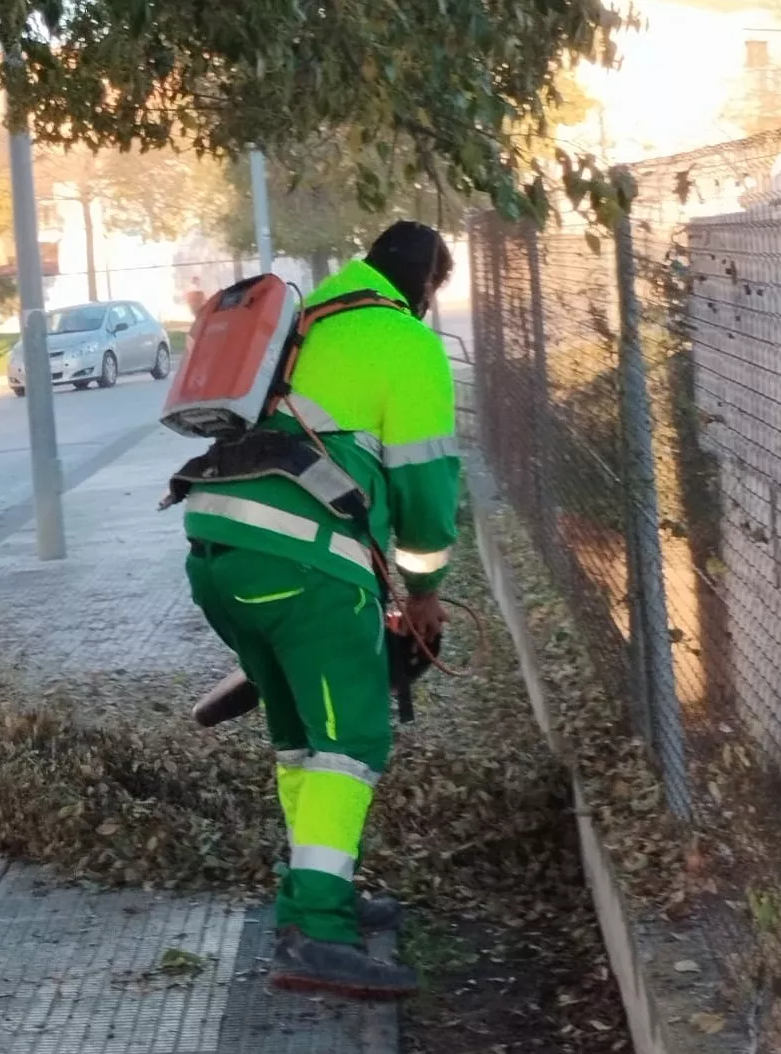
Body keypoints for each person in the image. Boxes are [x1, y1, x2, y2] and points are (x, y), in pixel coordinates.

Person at [182, 221, 459, 999]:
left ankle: (311, 893)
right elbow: (426, 488)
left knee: (302, 739)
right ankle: (320, 936)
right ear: (426, 287)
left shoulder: (300, 322)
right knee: (352, 741)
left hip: (215, 552)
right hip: (304, 567)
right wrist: (425, 590)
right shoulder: (403, 340)